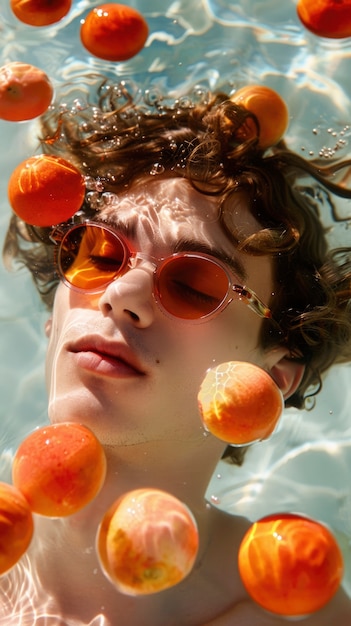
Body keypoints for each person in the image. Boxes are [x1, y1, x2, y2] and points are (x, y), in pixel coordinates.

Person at [2, 80, 351, 625]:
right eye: (99, 254)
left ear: (275, 377)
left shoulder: (291, 613)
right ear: (52, 324)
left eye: (194, 284)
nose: (120, 296)